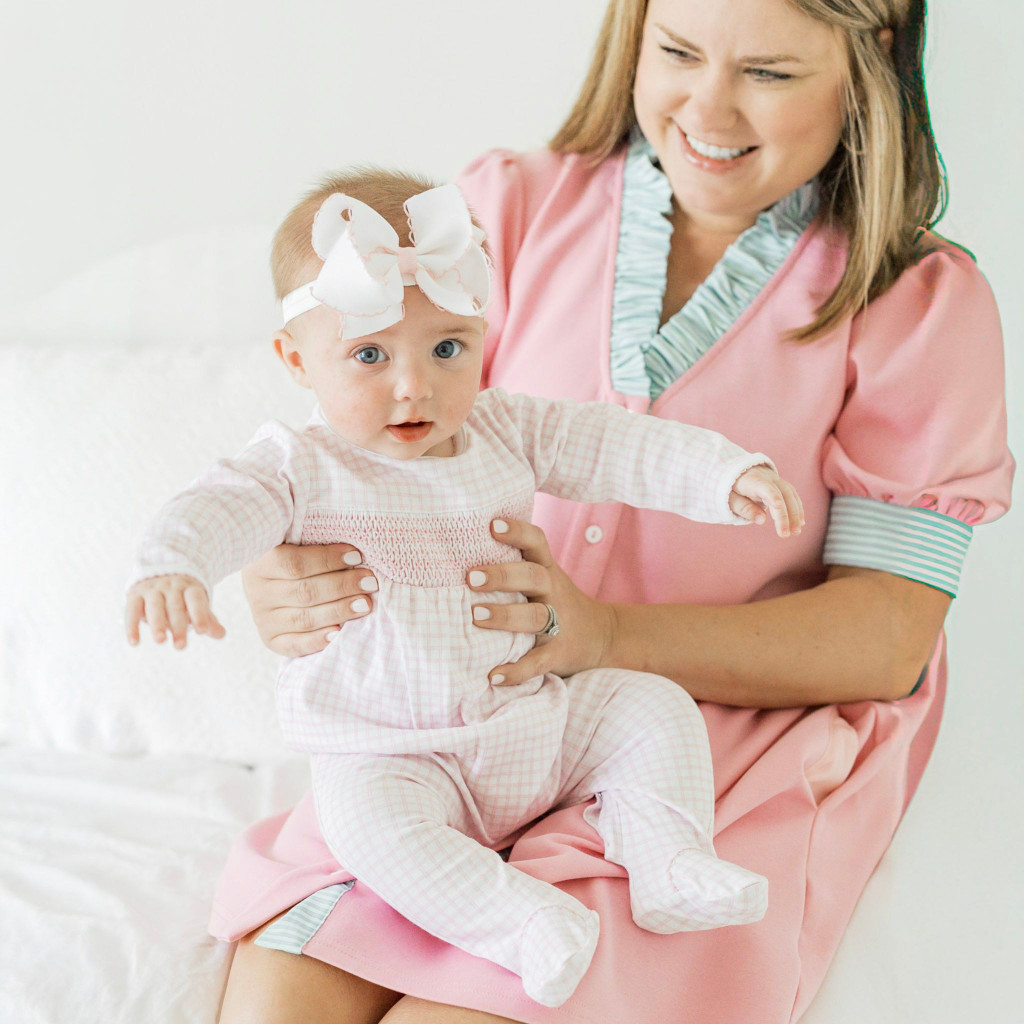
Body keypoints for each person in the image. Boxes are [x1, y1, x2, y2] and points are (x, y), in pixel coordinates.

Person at [211, 0, 1015, 1022]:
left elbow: (887, 638)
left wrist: (604, 637)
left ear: (872, 60)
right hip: (453, 710)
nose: (708, 107)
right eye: (677, 51)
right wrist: (280, 568)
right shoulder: (499, 212)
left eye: (767, 71)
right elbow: (363, 442)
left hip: (704, 743)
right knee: (281, 997)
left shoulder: (915, 304)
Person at [125, 174, 805, 1006]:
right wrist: (175, 563)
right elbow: (219, 504)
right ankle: (523, 923)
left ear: (482, 336)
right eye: (369, 355)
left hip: (534, 722)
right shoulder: (300, 468)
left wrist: (724, 474)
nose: (414, 386)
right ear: (296, 360)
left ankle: (668, 858)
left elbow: (612, 443)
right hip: (397, 759)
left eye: (446, 349)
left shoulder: (500, 428)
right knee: (364, 823)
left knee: (649, 706)